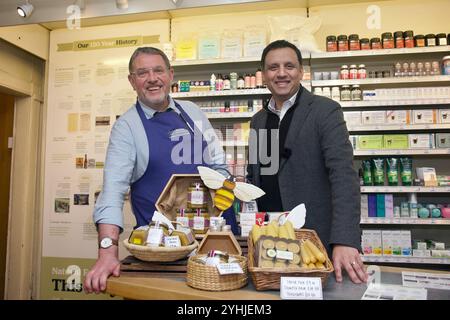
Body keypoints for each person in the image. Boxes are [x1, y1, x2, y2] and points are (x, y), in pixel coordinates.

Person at [84, 47, 237, 294]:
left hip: (215, 245)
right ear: (132, 81)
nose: (152, 78)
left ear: (171, 75)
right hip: (164, 254)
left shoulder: (193, 112)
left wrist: (227, 184)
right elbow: (112, 193)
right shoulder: (127, 127)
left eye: (158, 70)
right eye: (142, 73)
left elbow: (218, 165)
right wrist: (107, 252)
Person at [246, 40, 367, 284]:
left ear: (301, 71)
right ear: (264, 75)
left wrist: (344, 240)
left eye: (289, 66)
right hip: (271, 240)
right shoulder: (258, 120)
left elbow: (343, 175)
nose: (281, 73)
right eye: (273, 67)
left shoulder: (325, 110)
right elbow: (258, 177)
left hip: (315, 241)